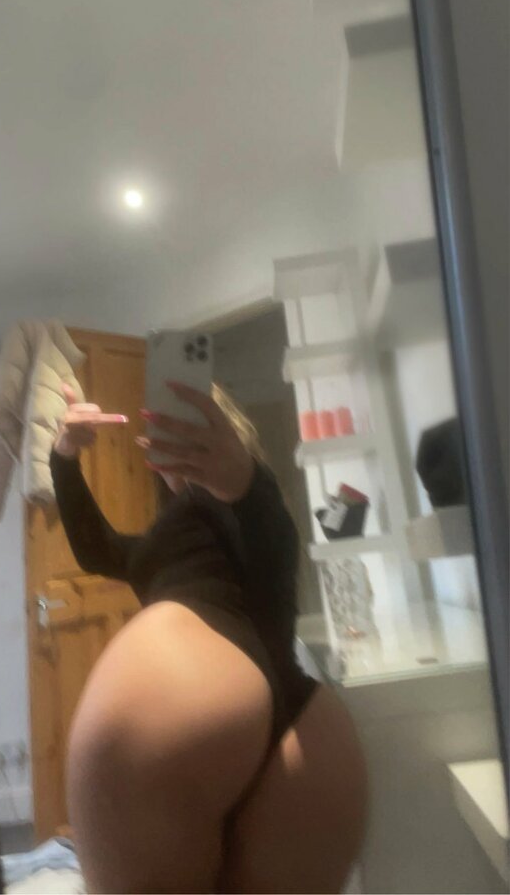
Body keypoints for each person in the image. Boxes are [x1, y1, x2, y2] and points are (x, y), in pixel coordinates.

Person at [50, 381, 367, 894]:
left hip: (195, 711)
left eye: (191, 430)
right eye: (164, 429)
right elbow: (95, 548)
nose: (170, 441)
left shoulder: (223, 505)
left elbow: (271, 532)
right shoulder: (170, 534)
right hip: (306, 729)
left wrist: (242, 477)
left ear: (228, 438)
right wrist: (65, 458)